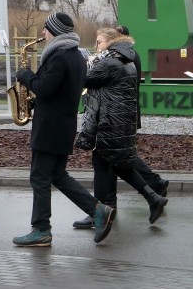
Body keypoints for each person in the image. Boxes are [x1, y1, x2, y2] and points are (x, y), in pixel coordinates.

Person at [12, 12, 114, 247]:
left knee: (39, 177)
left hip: (50, 127)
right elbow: (58, 92)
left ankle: (41, 230)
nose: (42, 33)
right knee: (57, 175)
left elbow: (44, 88)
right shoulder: (75, 56)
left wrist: (25, 75)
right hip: (63, 125)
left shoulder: (59, 57)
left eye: (46, 29)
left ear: (55, 31)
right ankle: (98, 211)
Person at [72, 24, 170, 230]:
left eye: (98, 42)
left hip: (109, 123)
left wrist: (83, 63)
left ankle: (102, 211)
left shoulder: (110, 62)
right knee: (115, 165)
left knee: (105, 165)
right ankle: (129, 203)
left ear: (109, 42)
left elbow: (84, 80)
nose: (96, 46)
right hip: (117, 122)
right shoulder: (124, 58)